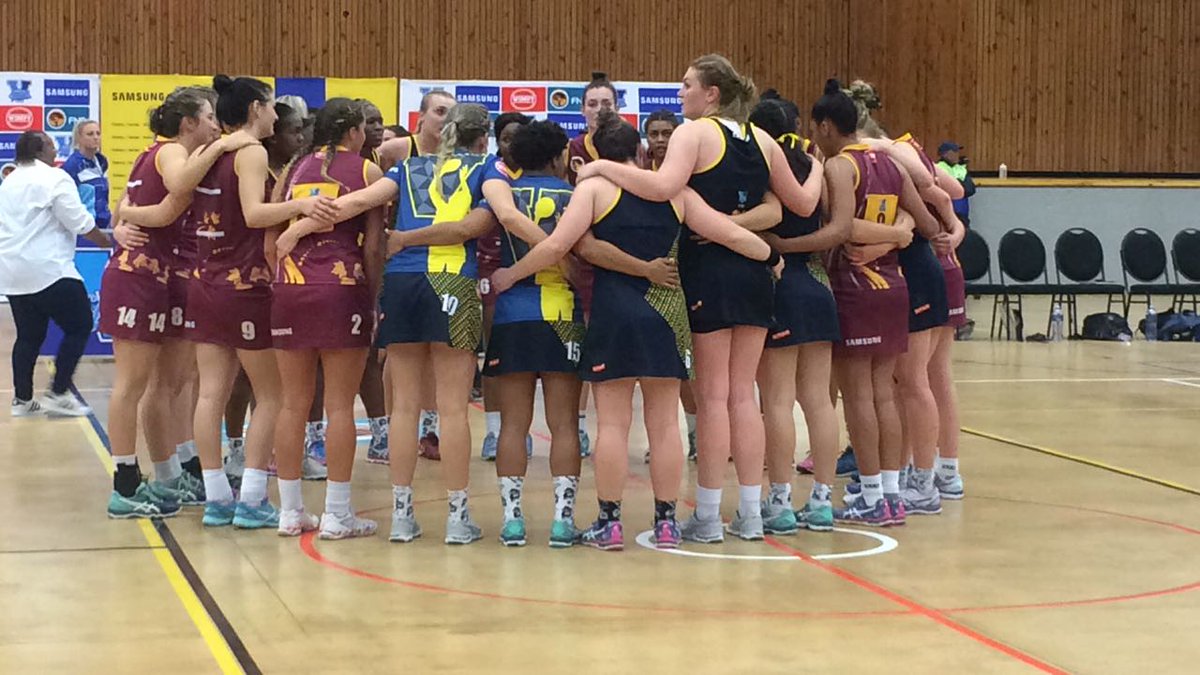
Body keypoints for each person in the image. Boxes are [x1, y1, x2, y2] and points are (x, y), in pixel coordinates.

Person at [492, 111, 780, 551]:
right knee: (665, 423)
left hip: (615, 312)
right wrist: (769, 258)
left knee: (611, 424)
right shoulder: (677, 195)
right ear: (641, 151)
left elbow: (555, 246)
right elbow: (732, 235)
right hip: (667, 313)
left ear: (594, 153)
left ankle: (610, 523)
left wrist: (510, 276)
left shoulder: (592, 188)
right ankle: (666, 523)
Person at [577, 54, 822, 543]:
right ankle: (752, 511)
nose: (680, 93)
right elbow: (801, 204)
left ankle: (708, 513)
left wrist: (600, 166)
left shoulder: (695, 132)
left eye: (687, 85)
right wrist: (818, 167)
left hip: (708, 271)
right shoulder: (763, 139)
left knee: (713, 399)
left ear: (712, 93)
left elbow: (665, 186)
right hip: (754, 273)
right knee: (743, 397)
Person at [287, 102, 492, 545]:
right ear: (484, 138)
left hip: (402, 284)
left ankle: (402, 515)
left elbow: (350, 205)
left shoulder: (406, 169)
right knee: (454, 408)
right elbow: (472, 226)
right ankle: (457, 518)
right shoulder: (487, 168)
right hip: (452, 282)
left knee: (404, 406)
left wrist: (294, 226)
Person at [184, 75, 337, 530]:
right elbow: (253, 214)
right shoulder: (249, 151)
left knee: (211, 392)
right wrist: (302, 207)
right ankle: (251, 497)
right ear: (255, 108)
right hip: (244, 284)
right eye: (271, 107)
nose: (276, 115)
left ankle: (215, 497)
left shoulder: (204, 152)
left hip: (204, 280)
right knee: (274, 394)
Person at [103, 87, 247, 517]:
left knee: (170, 383)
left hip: (165, 275)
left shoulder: (171, 155)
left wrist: (123, 217)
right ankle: (125, 481)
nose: (214, 125)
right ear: (188, 123)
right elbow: (165, 204)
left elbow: (124, 206)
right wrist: (225, 143)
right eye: (207, 118)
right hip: (139, 275)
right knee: (133, 384)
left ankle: (168, 472)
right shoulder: (170, 153)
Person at [808, 79, 936, 527]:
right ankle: (892, 495)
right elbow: (925, 221)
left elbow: (842, 229)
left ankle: (872, 495)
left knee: (859, 396)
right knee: (884, 394)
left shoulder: (841, 167)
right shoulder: (891, 163)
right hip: (893, 284)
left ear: (826, 127)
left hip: (854, 285)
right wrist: (897, 233)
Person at [271, 98, 385, 538]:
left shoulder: (291, 170)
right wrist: (372, 296)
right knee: (339, 404)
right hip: (340, 290)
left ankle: (290, 511)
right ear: (353, 132)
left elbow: (270, 240)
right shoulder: (366, 171)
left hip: (289, 289)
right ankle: (337, 513)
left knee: (292, 403)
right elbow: (374, 246)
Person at [475, 120, 584, 547]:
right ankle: (561, 521)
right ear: (560, 158)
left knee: (512, 424)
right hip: (563, 313)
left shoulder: (506, 194)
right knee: (564, 425)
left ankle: (513, 521)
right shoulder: (575, 197)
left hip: (512, 315)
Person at [748, 97, 843, 533]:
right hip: (818, 282)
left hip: (780, 281)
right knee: (819, 399)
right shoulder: (812, 166)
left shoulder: (761, 164)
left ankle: (781, 500)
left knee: (778, 401)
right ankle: (823, 499)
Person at [1, 131, 110, 418]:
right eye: (51, 145)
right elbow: (79, 221)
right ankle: (58, 392)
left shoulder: (9, 181)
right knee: (81, 323)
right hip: (49, 268)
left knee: (28, 336)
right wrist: (109, 242)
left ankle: (22, 401)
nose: (55, 150)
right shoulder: (54, 178)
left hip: (12, 272)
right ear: (41, 149)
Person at [377, 88, 457, 461]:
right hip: (400, 261)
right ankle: (392, 428)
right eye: (439, 111)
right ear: (421, 118)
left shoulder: (461, 159)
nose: (445, 119)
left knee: (434, 355)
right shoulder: (397, 152)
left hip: (445, 263)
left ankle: (429, 428)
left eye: (451, 113)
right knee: (398, 355)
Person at [637, 109, 697, 463]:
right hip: (654, 281)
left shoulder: (691, 177)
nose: (660, 140)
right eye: (654, 134)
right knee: (659, 368)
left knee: (691, 369)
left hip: (691, 276)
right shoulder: (642, 179)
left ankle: (697, 435)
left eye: (666, 134)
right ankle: (666, 439)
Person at [477, 111, 533, 461]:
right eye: (507, 138)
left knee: (526, 361)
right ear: (498, 141)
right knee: (494, 353)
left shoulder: (539, 173)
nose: (513, 144)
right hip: (490, 269)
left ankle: (521, 430)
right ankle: (495, 432)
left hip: (533, 271)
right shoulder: (488, 171)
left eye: (519, 138)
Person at [61, 120, 111, 235]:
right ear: (79, 138)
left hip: (104, 223)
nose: (95, 137)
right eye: (90, 134)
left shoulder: (102, 161)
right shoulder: (72, 165)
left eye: (98, 133)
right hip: (85, 229)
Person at [936, 141, 974, 228]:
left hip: (963, 215)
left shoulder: (961, 168)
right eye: (953, 152)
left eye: (957, 152)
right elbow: (943, 188)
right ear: (944, 154)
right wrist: (960, 183)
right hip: (945, 215)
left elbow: (970, 189)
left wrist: (955, 184)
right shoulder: (938, 168)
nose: (957, 154)